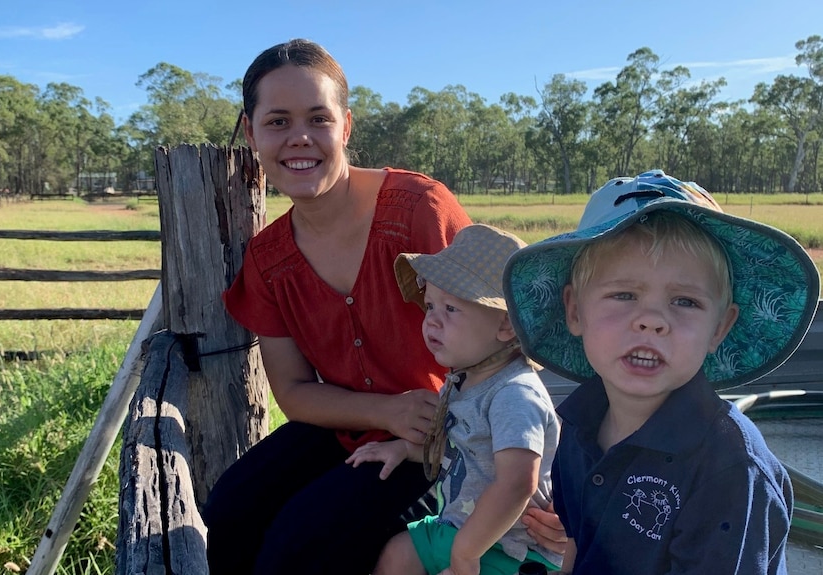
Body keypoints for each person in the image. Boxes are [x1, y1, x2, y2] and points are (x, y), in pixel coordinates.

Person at [199, 38, 474, 575]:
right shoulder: (269, 259)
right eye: (277, 121)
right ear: (250, 132)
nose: (299, 138)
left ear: (345, 127)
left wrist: (428, 425)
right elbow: (295, 393)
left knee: (299, 545)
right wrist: (382, 411)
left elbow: (501, 335)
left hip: (440, 435)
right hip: (352, 424)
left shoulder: (419, 211)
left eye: (317, 118)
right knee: (230, 509)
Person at [503, 169, 821, 574]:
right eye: (624, 295)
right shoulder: (577, 423)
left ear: (719, 328)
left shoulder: (730, 469)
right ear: (574, 311)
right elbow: (576, 551)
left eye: (685, 302)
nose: (651, 321)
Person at [346, 223, 563, 575]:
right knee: (396, 556)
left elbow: (518, 481)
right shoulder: (465, 378)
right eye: (430, 305)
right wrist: (406, 450)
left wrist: (465, 554)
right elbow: (463, 450)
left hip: (509, 547)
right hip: (459, 528)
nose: (431, 321)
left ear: (506, 325)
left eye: (451, 309)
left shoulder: (514, 394)